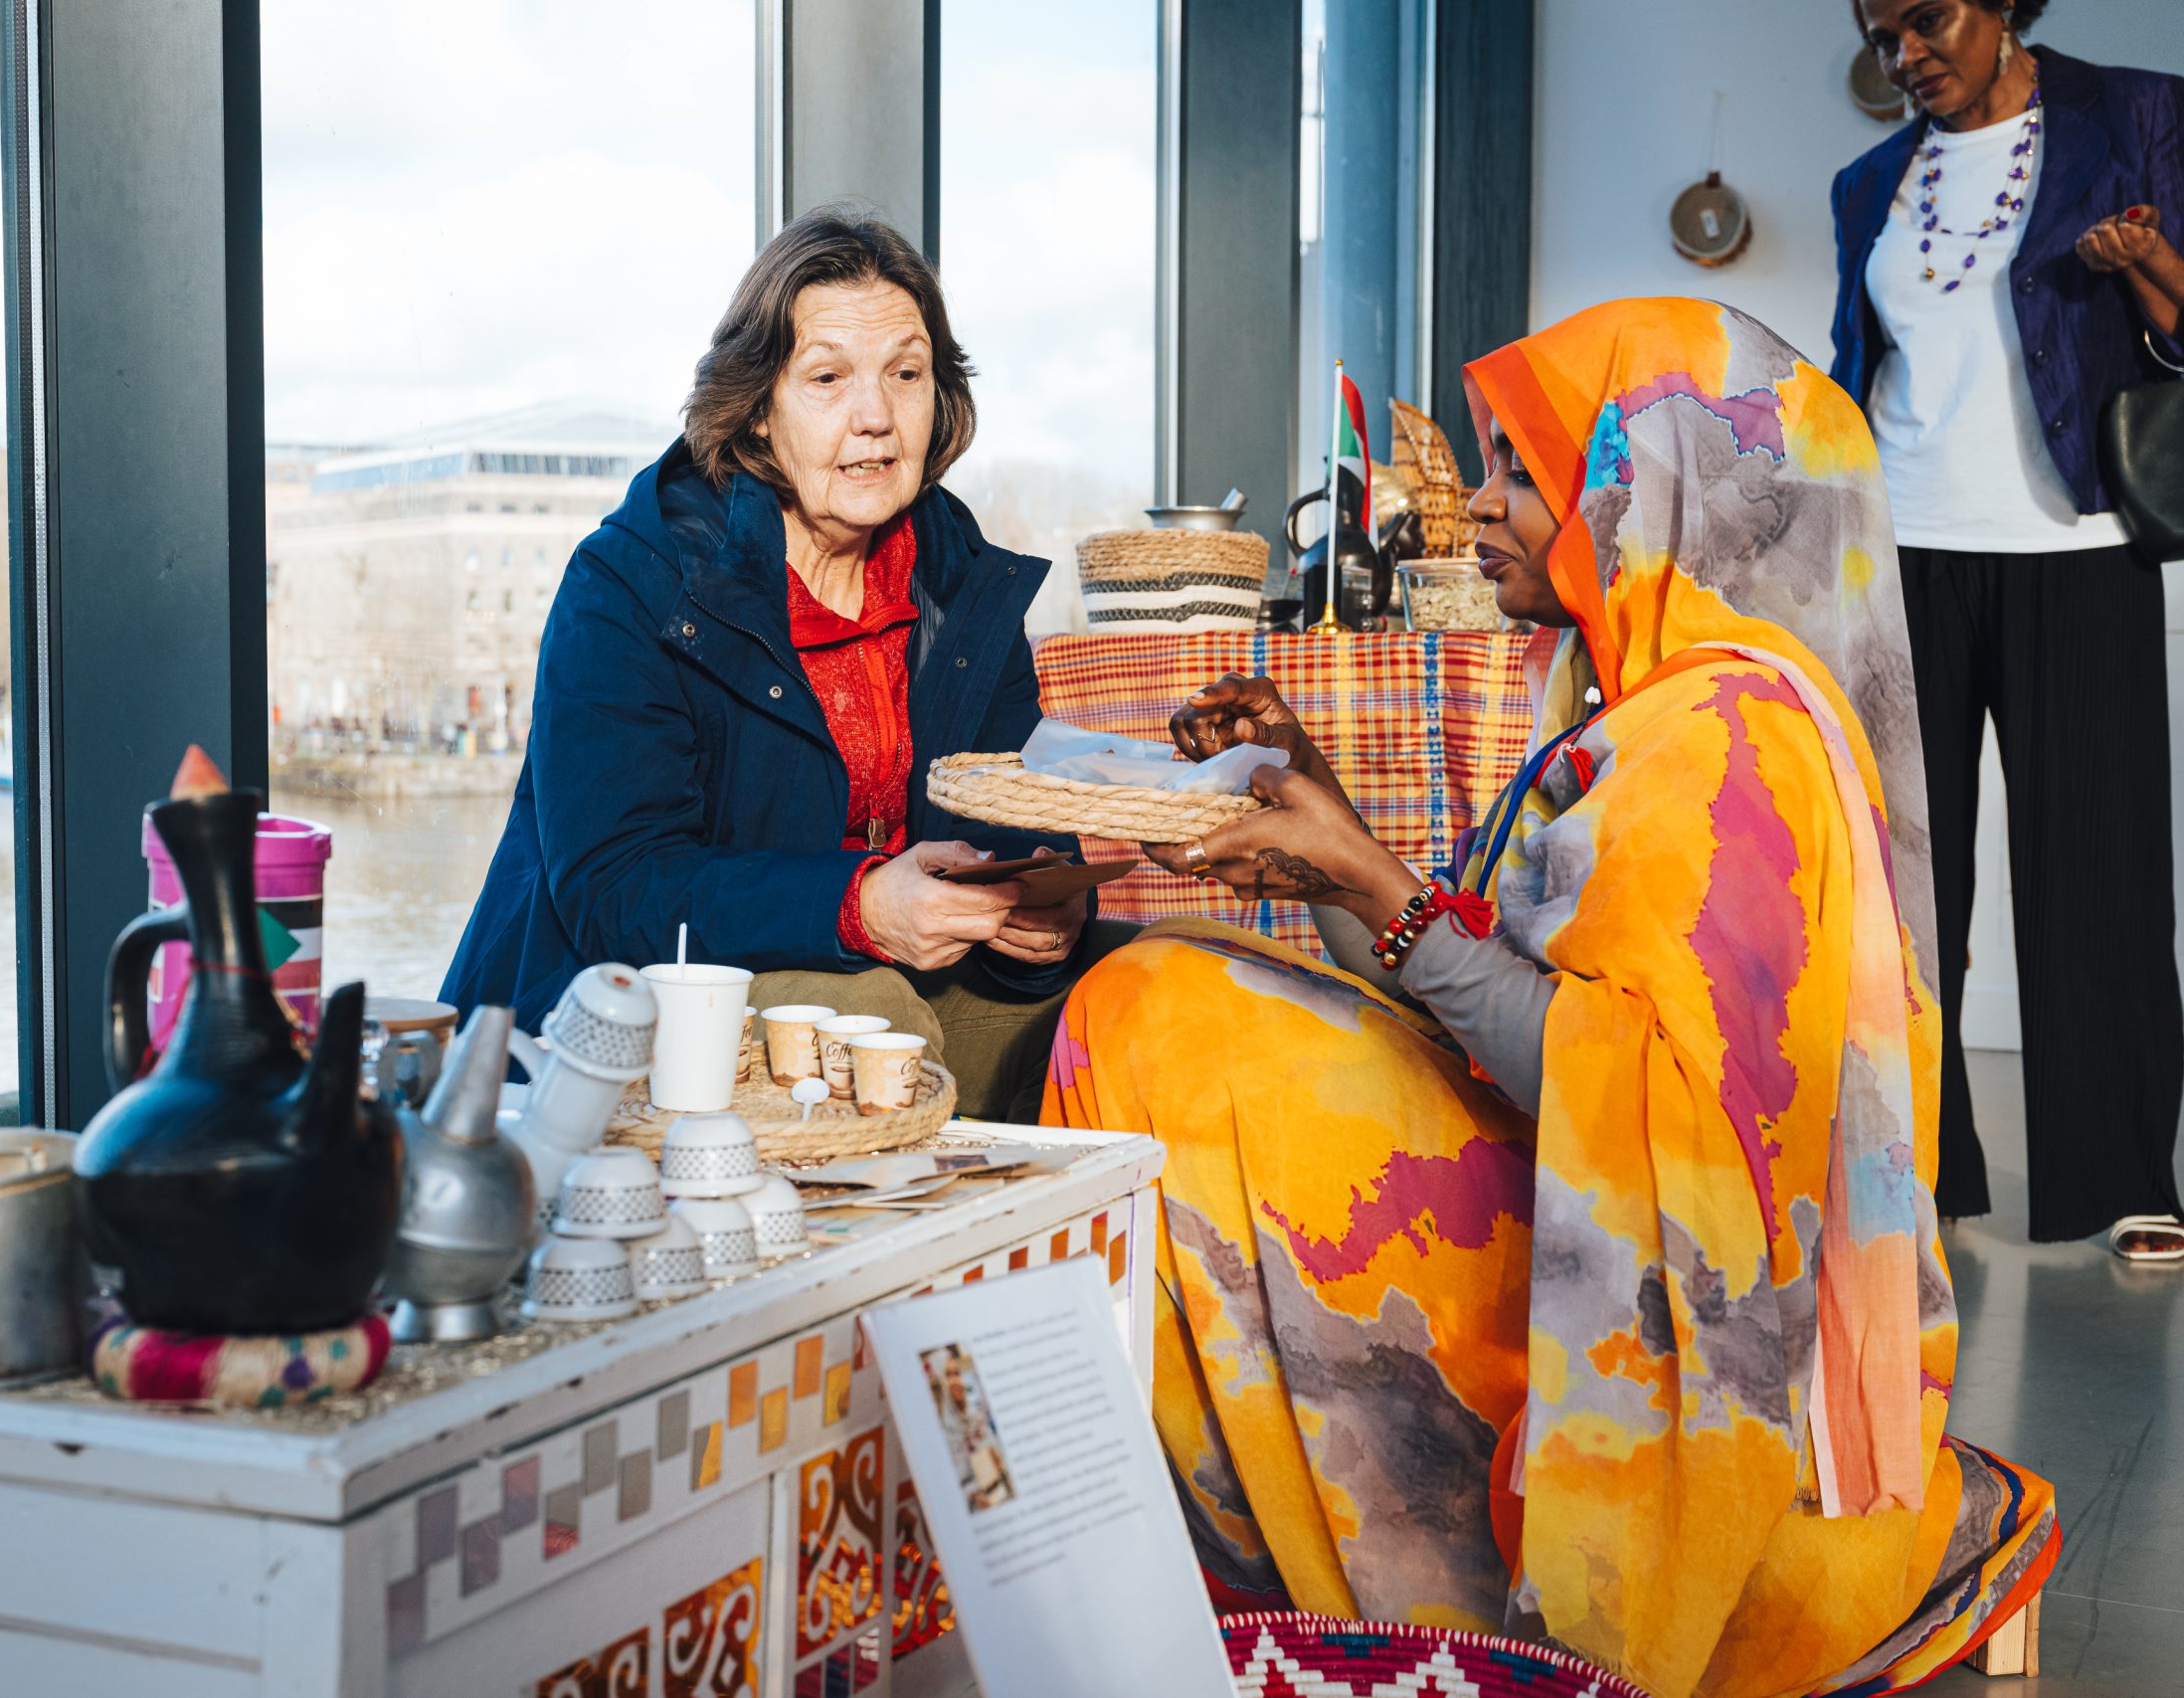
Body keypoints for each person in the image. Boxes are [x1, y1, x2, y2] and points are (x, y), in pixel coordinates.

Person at [1043, 300, 2058, 1698]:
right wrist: (1318, 824)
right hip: (1567, 1213)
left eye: (1524, 470)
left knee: (1163, 1014)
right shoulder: (1648, 706)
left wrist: (1367, 879)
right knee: (1179, 987)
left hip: (1638, 1313)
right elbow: (1486, 982)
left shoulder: (1725, 740)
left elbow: (1622, 1099)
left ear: (1655, 494)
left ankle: (1228, 1549)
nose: (1480, 507)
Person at [440, 207, 1127, 1119]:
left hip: (897, 982)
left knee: (1156, 981)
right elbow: (616, 885)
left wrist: (1040, 904)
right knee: (873, 1020)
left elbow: (1005, 810)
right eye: (829, 378)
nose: (876, 416)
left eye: (906, 374)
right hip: (618, 1015)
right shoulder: (631, 582)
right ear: (758, 412)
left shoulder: (965, 580)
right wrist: (861, 903)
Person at [1833, 0, 2184, 1257]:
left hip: (2075, 548)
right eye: (1881, 37)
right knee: (1906, 881)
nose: (1903, 55)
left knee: (2098, 874)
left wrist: (2140, 264)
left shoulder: (2133, 116)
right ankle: (1914, 1170)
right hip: (1905, 553)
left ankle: (2125, 1178)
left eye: (1925, 21)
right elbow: (1854, 372)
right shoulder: (1870, 176)